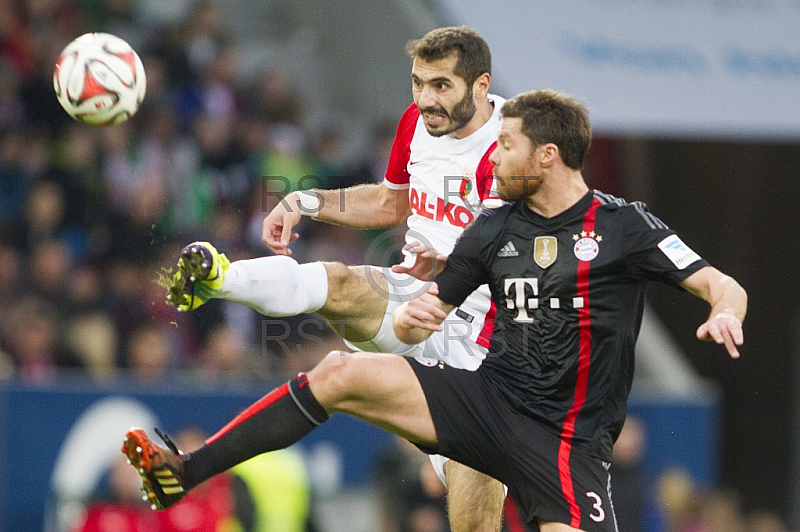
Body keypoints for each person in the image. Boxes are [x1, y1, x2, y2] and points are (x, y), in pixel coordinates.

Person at [123, 91, 745, 530]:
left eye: (506, 146)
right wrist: (421, 300)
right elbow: (432, 307)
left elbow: (722, 284)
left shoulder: (623, 227)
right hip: (489, 399)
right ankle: (186, 471)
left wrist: (724, 310)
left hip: (567, 439)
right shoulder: (493, 228)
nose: (492, 159)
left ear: (548, 156)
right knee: (340, 374)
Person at [161, 26, 508, 530]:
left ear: (480, 86)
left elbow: (511, 253)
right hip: (415, 297)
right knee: (339, 290)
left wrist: (449, 267)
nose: (425, 100)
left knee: (475, 519)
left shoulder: (510, 146)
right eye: (418, 83)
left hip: (480, 344)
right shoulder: (417, 123)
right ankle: (218, 278)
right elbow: (393, 200)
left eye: (441, 86)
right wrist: (305, 201)